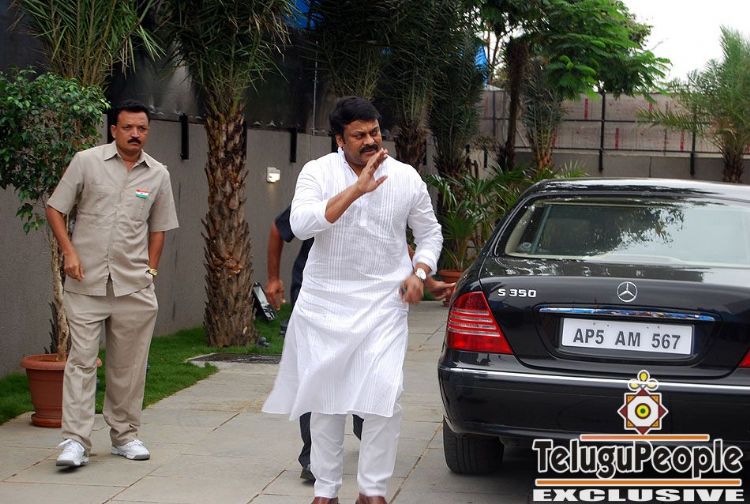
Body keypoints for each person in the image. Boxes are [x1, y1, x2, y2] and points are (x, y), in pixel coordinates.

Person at [263, 96, 444, 504]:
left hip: (384, 304)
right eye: (359, 135)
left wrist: (420, 273)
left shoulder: (405, 177)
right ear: (339, 140)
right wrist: (355, 191)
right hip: (325, 303)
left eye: (374, 132)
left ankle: (372, 491)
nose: (370, 141)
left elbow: (430, 234)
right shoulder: (318, 172)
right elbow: (301, 224)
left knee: (384, 394)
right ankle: (326, 490)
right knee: (326, 400)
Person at [265, 205, 454, 484]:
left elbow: (394, 244)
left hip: (369, 300)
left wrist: (425, 279)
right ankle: (313, 456)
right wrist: (273, 278)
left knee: (368, 367)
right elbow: (279, 229)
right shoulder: (322, 189)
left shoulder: (383, 193)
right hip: (319, 296)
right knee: (317, 376)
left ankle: (365, 426)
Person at [46, 100, 179, 468]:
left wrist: (151, 271)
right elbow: (55, 208)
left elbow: (159, 228)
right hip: (85, 282)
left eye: (142, 128)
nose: (135, 134)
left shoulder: (158, 174)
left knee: (128, 367)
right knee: (81, 362)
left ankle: (124, 436)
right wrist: (69, 252)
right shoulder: (86, 162)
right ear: (114, 129)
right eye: (128, 128)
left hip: (134, 286)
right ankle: (76, 441)